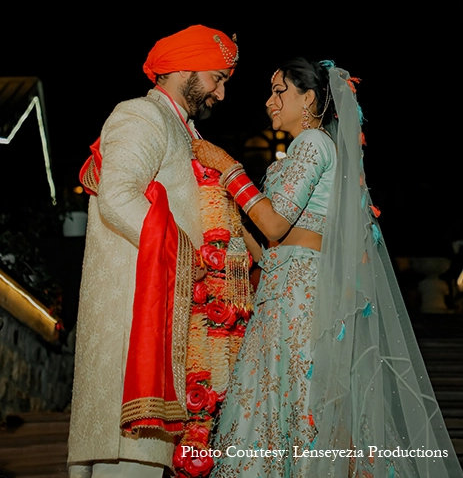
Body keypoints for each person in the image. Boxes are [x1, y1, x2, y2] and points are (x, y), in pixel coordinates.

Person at [192, 58, 462, 478]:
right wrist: (228, 213)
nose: (269, 102)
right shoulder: (297, 153)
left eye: (279, 91)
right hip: (281, 291)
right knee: (277, 403)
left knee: (301, 402)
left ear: (308, 99)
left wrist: (229, 170)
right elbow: (271, 248)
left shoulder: (313, 143)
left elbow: (275, 224)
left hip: (302, 297)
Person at [67, 24, 239, 478]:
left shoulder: (184, 129)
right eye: (217, 78)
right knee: (130, 462)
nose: (221, 93)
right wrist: (193, 260)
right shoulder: (141, 114)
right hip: (137, 319)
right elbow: (118, 196)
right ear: (183, 69)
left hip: (174, 318)